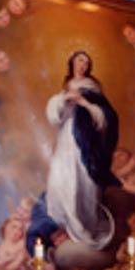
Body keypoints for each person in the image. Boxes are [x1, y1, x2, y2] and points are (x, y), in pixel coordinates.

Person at [41, 50, 118, 251]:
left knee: (82, 182)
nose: (82, 65)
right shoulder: (65, 89)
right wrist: (64, 99)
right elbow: (54, 116)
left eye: (86, 62)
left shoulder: (93, 90)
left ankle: (84, 229)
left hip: (86, 142)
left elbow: (105, 119)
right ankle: (67, 226)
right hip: (66, 139)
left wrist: (84, 103)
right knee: (59, 178)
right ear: (72, 63)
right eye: (79, 61)